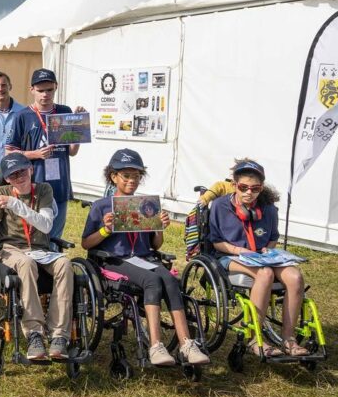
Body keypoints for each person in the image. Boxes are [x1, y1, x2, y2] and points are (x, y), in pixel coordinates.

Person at [81, 149, 210, 366]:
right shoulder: (101, 206)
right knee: (151, 280)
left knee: (169, 280)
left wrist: (160, 228)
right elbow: (86, 243)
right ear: (113, 177)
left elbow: (155, 245)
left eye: (136, 176)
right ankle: (156, 346)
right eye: (127, 176)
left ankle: (187, 343)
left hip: (143, 257)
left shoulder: (145, 206)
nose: (132, 180)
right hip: (114, 259)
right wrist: (105, 230)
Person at [0, 152, 73, 360]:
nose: (19, 177)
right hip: (12, 249)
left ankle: (59, 334)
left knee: (65, 264)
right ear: (7, 178)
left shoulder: (44, 190)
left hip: (41, 249)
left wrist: (15, 204)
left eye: (22, 171)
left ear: (31, 170)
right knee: (25, 263)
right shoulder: (1, 192)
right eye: (13, 175)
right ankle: (34, 332)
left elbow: (45, 225)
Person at [207, 159, 309, 358]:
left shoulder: (268, 208)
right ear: (234, 185)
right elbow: (216, 242)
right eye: (243, 187)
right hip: (230, 256)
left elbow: (272, 238)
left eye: (255, 188)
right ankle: (255, 339)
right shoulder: (220, 206)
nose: (248, 192)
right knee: (265, 274)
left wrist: (266, 251)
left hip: (262, 256)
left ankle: (288, 339)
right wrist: (240, 251)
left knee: (295, 277)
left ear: (261, 188)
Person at [5, 68, 85, 241]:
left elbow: (72, 151)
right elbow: (9, 153)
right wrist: (35, 154)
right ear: (32, 89)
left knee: (56, 235)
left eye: (49, 89)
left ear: (56, 87)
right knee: (37, 233)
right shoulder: (23, 116)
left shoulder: (64, 111)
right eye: (40, 90)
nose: (45, 95)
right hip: (35, 185)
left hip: (59, 182)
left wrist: (78, 125)